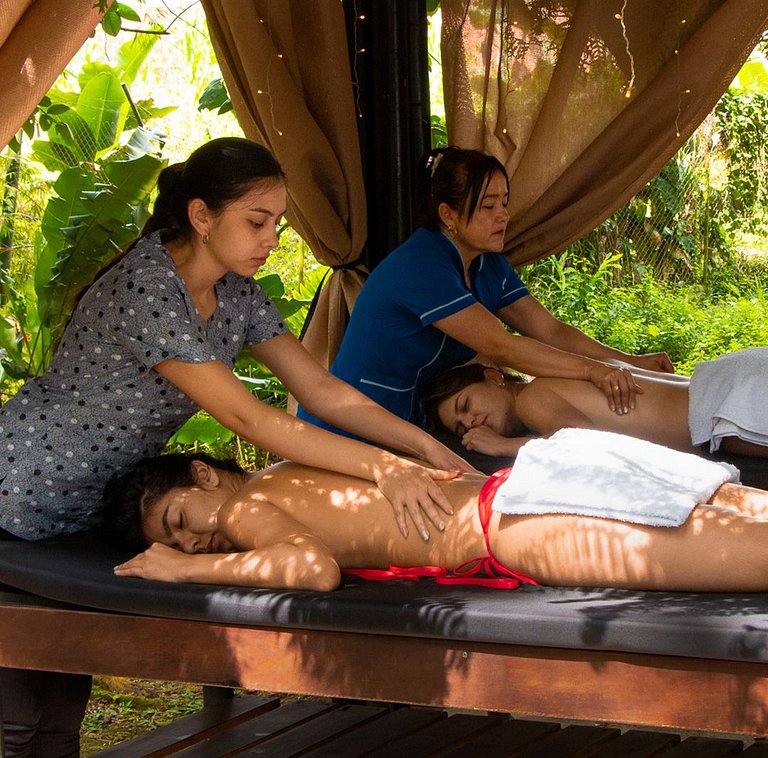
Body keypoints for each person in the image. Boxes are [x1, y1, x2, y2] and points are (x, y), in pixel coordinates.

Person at [0, 137, 474, 758]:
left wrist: (420, 446)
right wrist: (382, 469)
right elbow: (248, 417)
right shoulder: (147, 287)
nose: (272, 237)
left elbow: (322, 390)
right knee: (18, 713)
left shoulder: (237, 296)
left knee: (60, 697)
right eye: (257, 221)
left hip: (96, 503)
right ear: (201, 216)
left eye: (277, 222)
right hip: (18, 488)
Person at [103, 429, 768, 595]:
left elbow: (308, 569)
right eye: (180, 546)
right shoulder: (289, 467)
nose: (193, 543)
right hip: (542, 477)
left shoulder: (248, 508)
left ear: (204, 475)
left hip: (520, 518)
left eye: (180, 522)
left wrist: (182, 575)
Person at [298, 146, 673, 433]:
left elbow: (550, 330)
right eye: (488, 205)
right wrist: (593, 372)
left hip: (407, 425)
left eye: (505, 203)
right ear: (448, 215)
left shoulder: (486, 262)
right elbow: (502, 346)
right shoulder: (421, 265)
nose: (503, 216)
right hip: (347, 426)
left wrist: (627, 362)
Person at [423, 349, 768, 460]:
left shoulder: (531, 398)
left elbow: (579, 443)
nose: (469, 422)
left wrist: (503, 445)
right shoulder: (561, 374)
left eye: (465, 405)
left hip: (727, 407)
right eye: (459, 426)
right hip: (731, 379)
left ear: (494, 377)